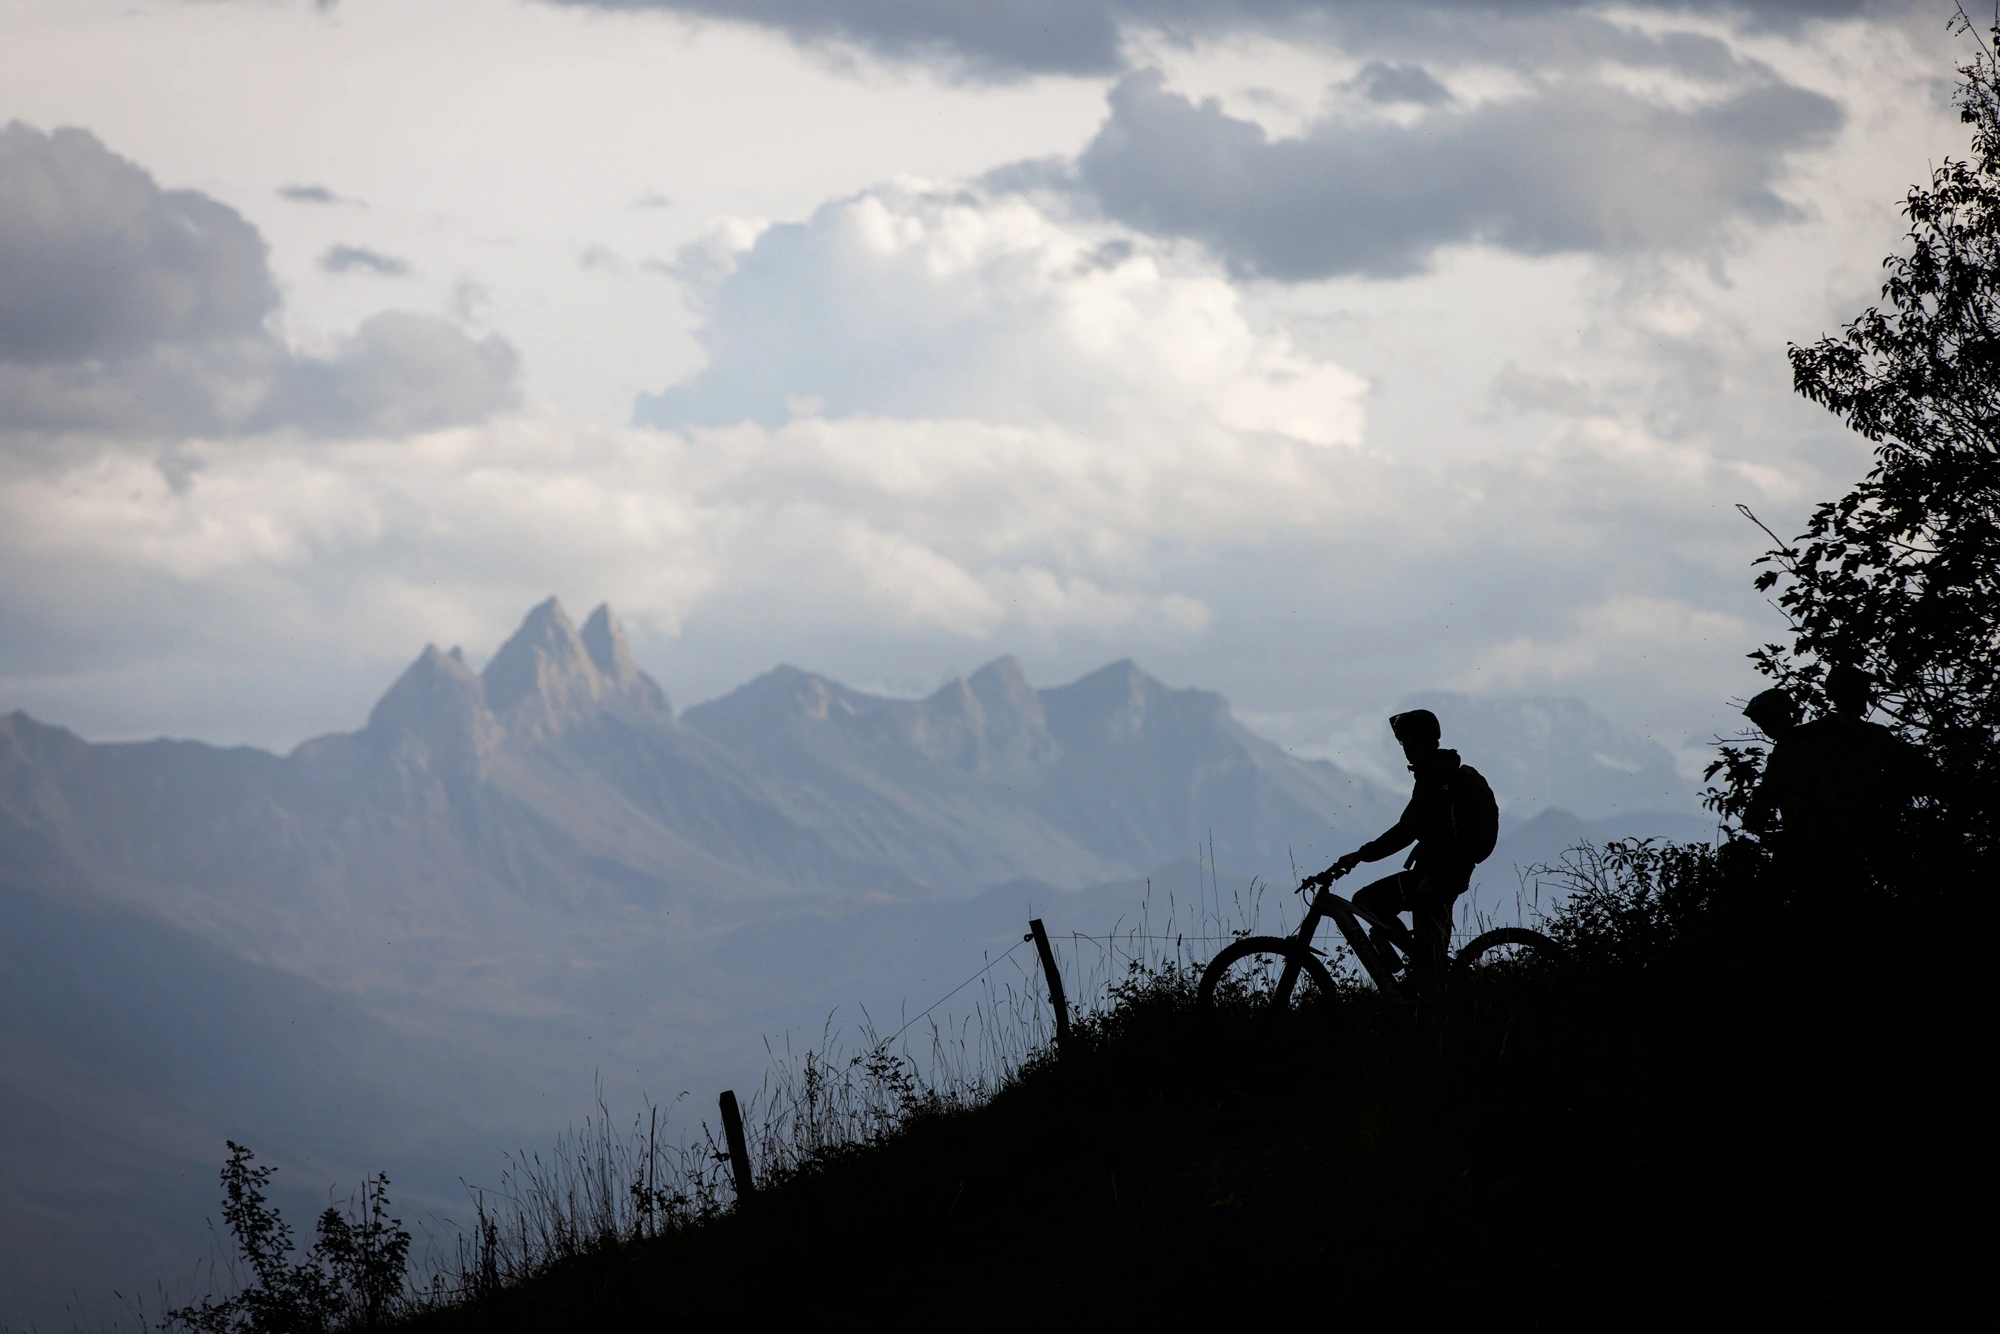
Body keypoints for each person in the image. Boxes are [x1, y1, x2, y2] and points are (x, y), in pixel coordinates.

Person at [1307, 708, 1484, 974]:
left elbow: (1408, 830)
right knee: (1427, 952)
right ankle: (1418, 975)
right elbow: (1416, 828)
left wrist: (1362, 855)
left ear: (1415, 741)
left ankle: (1422, 983)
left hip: (1437, 875)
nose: (1404, 747)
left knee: (1367, 901)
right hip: (1441, 872)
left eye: (1405, 741)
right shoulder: (1434, 772)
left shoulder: (1437, 778)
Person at [1744, 664, 1929, 894]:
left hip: (1836, 845)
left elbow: (1765, 800)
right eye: (1863, 689)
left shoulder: (1803, 739)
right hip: (1853, 843)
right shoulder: (1867, 736)